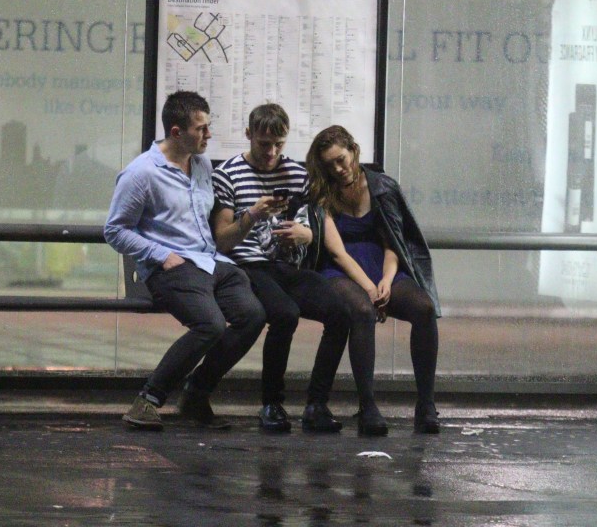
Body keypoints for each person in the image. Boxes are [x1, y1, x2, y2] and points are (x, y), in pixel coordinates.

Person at [104, 91, 266, 431]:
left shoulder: (201, 164)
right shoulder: (141, 173)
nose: (209, 135)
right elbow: (115, 231)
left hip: (209, 260)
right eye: (201, 129)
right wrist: (162, 255)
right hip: (171, 265)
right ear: (176, 132)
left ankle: (196, 394)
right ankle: (147, 401)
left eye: (208, 127)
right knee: (211, 325)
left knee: (252, 316)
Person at [211, 103, 351, 433]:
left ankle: (317, 403)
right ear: (248, 136)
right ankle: (272, 403)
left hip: (286, 265)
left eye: (279, 144)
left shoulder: (297, 175)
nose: (272, 152)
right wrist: (253, 215)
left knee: (340, 312)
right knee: (284, 314)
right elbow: (222, 242)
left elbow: (320, 228)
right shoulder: (228, 175)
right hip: (247, 265)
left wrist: (306, 235)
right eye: (264, 144)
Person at [305, 125, 442, 436]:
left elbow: (394, 240)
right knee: (362, 312)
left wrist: (387, 279)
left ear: (354, 150)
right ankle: (368, 405)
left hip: (383, 265)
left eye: (341, 159)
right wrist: (369, 287)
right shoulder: (321, 192)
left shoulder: (382, 187)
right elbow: (336, 252)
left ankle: (426, 405)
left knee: (423, 307)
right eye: (330, 164)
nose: (338, 169)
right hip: (342, 269)